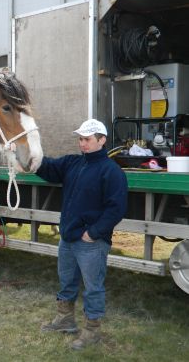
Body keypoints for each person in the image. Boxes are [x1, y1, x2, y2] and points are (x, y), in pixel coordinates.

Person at [37, 118, 128, 350]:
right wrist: (22, 153)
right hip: (68, 238)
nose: (82, 144)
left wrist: (93, 233)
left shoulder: (112, 172)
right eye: (80, 139)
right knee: (66, 281)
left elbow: (116, 209)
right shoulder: (72, 163)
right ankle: (65, 320)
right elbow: (46, 167)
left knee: (93, 287)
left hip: (91, 242)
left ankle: (92, 331)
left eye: (87, 139)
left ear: (102, 140)